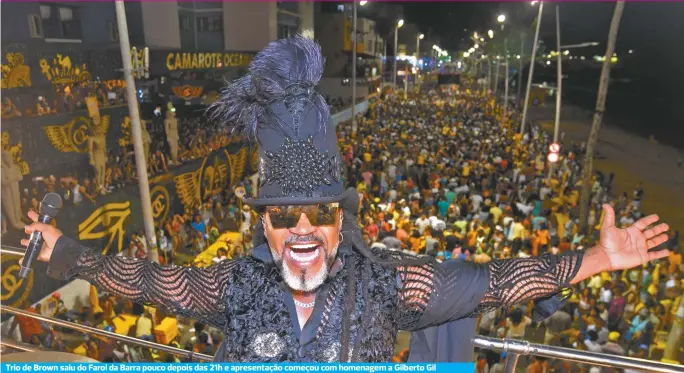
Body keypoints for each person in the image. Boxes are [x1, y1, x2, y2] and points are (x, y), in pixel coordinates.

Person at [23, 36, 671, 362]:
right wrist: (66, 249)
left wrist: (597, 258)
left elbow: (500, 280)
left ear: (341, 219)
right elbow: (149, 279)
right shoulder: (235, 284)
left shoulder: (391, 282)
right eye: (284, 214)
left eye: (319, 212)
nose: (302, 228)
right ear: (267, 226)